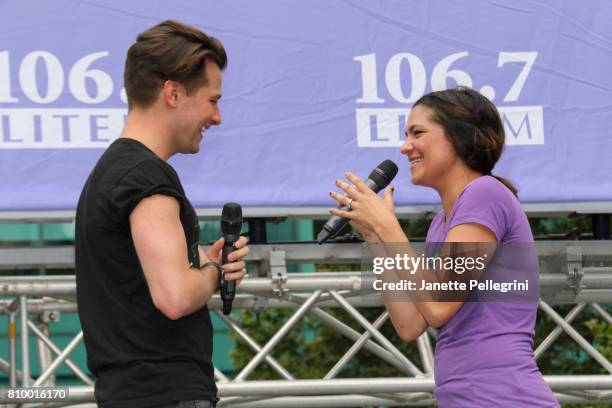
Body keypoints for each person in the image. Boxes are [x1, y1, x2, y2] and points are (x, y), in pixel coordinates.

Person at [328, 87, 559, 407]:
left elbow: (438, 307)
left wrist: (388, 227)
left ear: (459, 136)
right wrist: (374, 238)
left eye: (418, 133)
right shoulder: (443, 223)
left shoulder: (485, 194)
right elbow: (411, 323)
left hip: (501, 396)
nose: (405, 147)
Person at [75, 20, 248, 408]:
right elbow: (173, 297)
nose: (217, 117)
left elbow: (138, 285)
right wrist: (214, 272)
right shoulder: (145, 176)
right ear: (173, 93)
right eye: (212, 100)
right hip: (165, 393)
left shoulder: (111, 174)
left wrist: (206, 260)